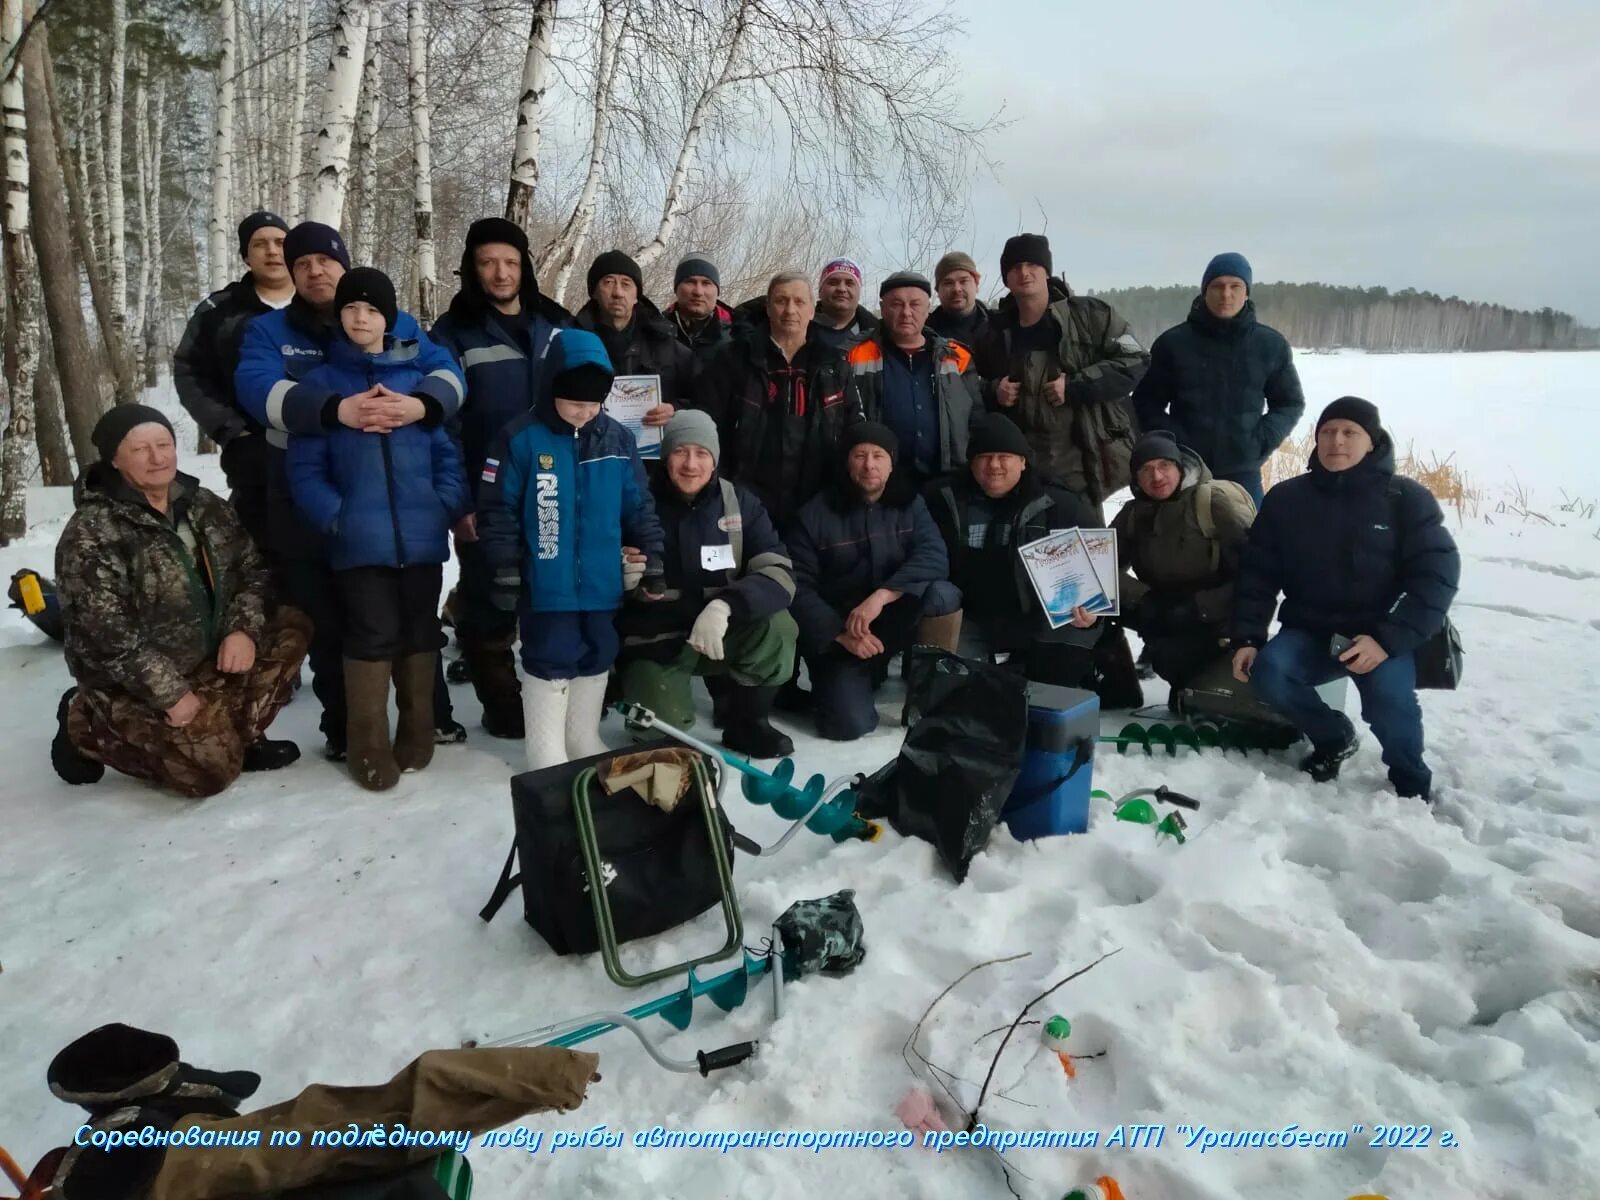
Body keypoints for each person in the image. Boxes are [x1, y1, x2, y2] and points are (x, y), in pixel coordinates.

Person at [234, 221, 467, 757]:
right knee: (334, 623)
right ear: (291, 274)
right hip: (310, 503)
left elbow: (447, 376)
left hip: (398, 511)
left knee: (413, 619)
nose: (316, 270)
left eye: (325, 260)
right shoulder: (271, 332)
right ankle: (347, 732)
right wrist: (334, 411)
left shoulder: (398, 322)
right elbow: (257, 389)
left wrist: (421, 405)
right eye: (302, 263)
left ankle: (428, 722)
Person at [51, 406, 310, 798]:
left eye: (164, 444)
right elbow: (108, 635)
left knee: (292, 627)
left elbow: (251, 570)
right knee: (209, 775)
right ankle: (86, 723)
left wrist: (242, 629)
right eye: (140, 449)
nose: (157, 458)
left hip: (206, 658)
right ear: (114, 460)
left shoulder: (203, 504)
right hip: (135, 681)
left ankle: (239, 735)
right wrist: (170, 694)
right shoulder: (92, 533)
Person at [286, 269, 470, 791]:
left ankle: (417, 732)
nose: (360, 318)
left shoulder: (415, 383)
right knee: (370, 635)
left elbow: (446, 454)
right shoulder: (323, 385)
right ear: (338, 316)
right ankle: (367, 744)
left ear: (388, 318)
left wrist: (442, 505)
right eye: (350, 310)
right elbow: (305, 468)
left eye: (371, 310)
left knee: (419, 630)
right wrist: (336, 516)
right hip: (357, 539)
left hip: (422, 536)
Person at [1231, 398, 1460, 799]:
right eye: (1327, 432)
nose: (1337, 440)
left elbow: (1435, 576)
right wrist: (1248, 637)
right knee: (1270, 673)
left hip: (1380, 634)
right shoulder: (1286, 499)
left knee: (1390, 704)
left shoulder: (1404, 499)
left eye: (1350, 432)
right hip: (1312, 630)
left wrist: (1387, 640)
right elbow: (1258, 573)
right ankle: (1333, 736)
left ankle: (1411, 783)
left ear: (1371, 441)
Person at [476, 329, 668, 771]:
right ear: (551, 389)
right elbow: (496, 507)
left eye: (593, 403)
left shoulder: (617, 440)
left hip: (602, 580)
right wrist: (504, 566)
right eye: (575, 401)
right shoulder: (521, 437)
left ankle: (581, 737)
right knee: (550, 656)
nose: (584, 411)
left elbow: (639, 506)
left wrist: (652, 555)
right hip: (546, 581)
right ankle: (545, 751)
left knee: (597, 649)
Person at [430, 216, 573, 739]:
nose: (500, 272)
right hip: (487, 494)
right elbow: (442, 427)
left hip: (556, 487)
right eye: (488, 262)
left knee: (551, 594)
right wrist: (459, 502)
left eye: (510, 262)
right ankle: (501, 702)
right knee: (491, 600)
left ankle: (554, 691)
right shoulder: (452, 334)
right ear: (472, 267)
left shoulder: (556, 323)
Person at [616, 411, 800, 758]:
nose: (690, 464)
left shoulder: (740, 502)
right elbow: (599, 567)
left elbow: (779, 572)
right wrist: (621, 576)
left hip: (722, 631)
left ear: (714, 458)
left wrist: (725, 605)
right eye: (680, 452)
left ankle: (747, 723)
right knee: (659, 740)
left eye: (701, 453)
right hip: (655, 640)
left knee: (778, 627)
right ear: (664, 455)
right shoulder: (635, 501)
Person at [928, 413, 1134, 693]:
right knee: (957, 688)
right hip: (974, 618)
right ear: (971, 462)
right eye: (985, 456)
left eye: (1005, 456)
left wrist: (1093, 614)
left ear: (1023, 462)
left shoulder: (1060, 503)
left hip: (1044, 617)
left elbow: (1096, 572)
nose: (994, 465)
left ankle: (1069, 671)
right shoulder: (944, 499)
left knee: (1048, 685)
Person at [787, 423, 962, 741]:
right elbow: (796, 586)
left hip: (892, 619)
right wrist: (839, 632)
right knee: (848, 725)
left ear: (892, 462)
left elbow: (935, 555)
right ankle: (854, 680)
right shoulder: (814, 515)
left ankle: (928, 687)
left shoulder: (910, 503)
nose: (869, 465)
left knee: (943, 595)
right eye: (860, 455)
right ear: (846, 462)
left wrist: (882, 595)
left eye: (878, 455)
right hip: (840, 633)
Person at [973, 233, 1148, 513]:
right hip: (1021, 470)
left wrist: (1076, 386)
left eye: (1033, 264)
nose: (1024, 273)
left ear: (1047, 272)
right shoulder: (993, 332)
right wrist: (994, 391)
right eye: (1015, 267)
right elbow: (968, 386)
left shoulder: (1089, 316)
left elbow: (1136, 359)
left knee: (1083, 549)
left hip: (1084, 461)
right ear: (1006, 278)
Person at [1131, 253, 1305, 507]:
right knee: (1182, 543)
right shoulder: (1173, 344)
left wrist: (1259, 441)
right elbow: (1146, 403)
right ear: (1204, 291)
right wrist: (1175, 444)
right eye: (1217, 286)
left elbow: (1290, 403)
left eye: (1235, 286)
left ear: (1246, 292)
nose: (1226, 294)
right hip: (1187, 469)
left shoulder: (1269, 345)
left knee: (1248, 540)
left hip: (1243, 471)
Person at [693, 271, 864, 528]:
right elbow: (707, 425)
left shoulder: (833, 365)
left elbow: (852, 427)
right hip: (744, 497)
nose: (790, 310)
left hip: (817, 500)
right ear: (768, 307)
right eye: (781, 301)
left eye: (799, 302)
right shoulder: (735, 359)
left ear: (811, 310)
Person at [173, 211, 293, 550]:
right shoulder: (219, 311)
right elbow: (189, 370)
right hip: (253, 453)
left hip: (321, 448)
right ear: (245, 256)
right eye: (260, 244)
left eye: (280, 243)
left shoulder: (319, 304)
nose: (271, 251)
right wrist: (230, 429)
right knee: (260, 552)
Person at [1103, 432, 1256, 698]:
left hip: (1211, 615)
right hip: (1160, 608)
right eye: (1146, 470)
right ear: (1136, 478)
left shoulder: (1213, 503)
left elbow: (1255, 574)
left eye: (1164, 466)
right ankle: (1119, 685)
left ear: (1180, 467)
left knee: (1179, 663)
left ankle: (1206, 684)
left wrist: (1199, 607)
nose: (1157, 477)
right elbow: (1100, 568)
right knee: (1089, 608)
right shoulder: (1132, 513)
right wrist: (1143, 599)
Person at [845, 270, 982, 489]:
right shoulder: (854, 355)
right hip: (880, 483)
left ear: (928, 309)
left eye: (915, 304)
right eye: (896, 304)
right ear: (882, 309)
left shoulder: (956, 356)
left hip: (947, 481)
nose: (906, 313)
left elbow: (976, 418)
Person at [573, 249, 693, 422]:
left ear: (637, 295)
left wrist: (674, 410)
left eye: (626, 284)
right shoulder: (574, 342)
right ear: (594, 292)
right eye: (608, 282)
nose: (618, 293)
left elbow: (699, 401)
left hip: (652, 443)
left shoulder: (665, 344)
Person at [664, 255, 734, 364]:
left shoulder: (737, 334)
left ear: (717, 291)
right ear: (676, 288)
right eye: (690, 282)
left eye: (706, 283)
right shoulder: (656, 331)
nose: (698, 292)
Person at [811, 257, 881, 351]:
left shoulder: (880, 335)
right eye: (833, 283)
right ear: (820, 291)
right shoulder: (801, 329)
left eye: (849, 284)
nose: (842, 289)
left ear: (859, 292)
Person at [927, 251, 990, 348]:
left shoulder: (999, 329)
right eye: (948, 283)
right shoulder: (924, 334)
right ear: (938, 291)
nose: (957, 289)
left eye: (963, 281)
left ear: (976, 285)